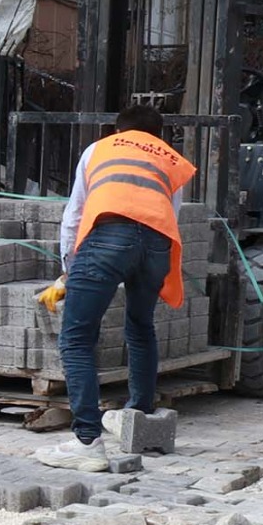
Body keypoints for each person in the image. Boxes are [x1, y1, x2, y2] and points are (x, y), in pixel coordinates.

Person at [34, 107, 196, 473]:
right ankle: (138, 414)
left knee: (76, 337)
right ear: (158, 136)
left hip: (109, 236)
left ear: (118, 129)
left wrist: (67, 272)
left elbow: (75, 214)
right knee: (140, 325)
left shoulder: (99, 149)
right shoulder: (170, 161)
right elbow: (172, 215)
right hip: (157, 244)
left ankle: (87, 441)